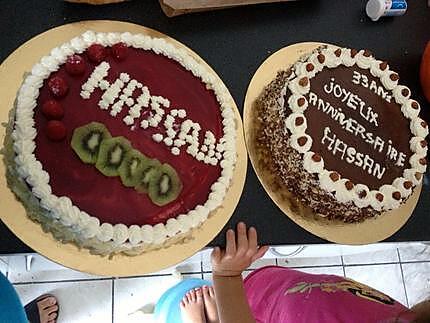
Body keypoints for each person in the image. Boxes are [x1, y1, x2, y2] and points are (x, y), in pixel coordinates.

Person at [180, 222, 430, 323]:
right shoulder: (410, 317)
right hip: (280, 290)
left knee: (228, 310)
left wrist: (227, 276)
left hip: (259, 313)